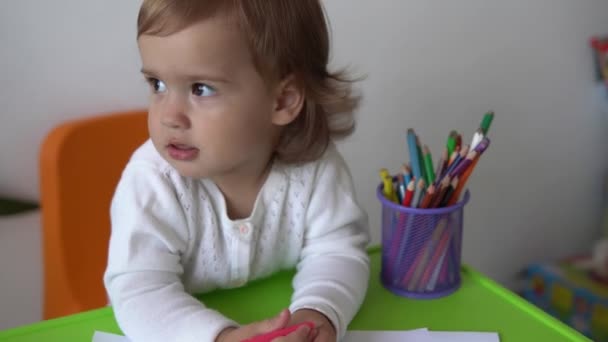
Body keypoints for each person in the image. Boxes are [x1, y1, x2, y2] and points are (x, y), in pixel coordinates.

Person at [103, 1, 370, 341]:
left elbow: (337, 251)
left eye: (201, 88)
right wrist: (220, 337)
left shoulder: (314, 167)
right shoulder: (153, 181)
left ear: (283, 101)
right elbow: (139, 289)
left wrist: (315, 315)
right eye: (157, 84)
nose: (169, 116)